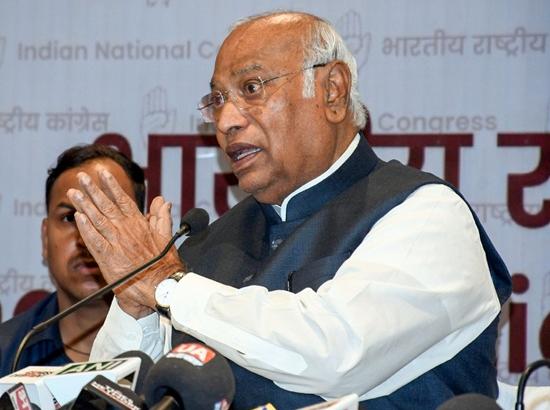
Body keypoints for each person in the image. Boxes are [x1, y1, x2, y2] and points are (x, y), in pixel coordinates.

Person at [67, 11, 512, 410]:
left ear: (332, 91)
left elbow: (337, 355)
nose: (226, 121)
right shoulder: (206, 245)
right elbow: (120, 392)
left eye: (252, 88)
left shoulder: (425, 214)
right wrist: (135, 305)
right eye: (217, 100)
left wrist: (167, 285)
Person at [0, 144, 145, 377]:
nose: (86, 238)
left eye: (106, 215)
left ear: (143, 234)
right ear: (45, 237)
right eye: (69, 218)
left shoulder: (180, 348)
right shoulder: (8, 351)